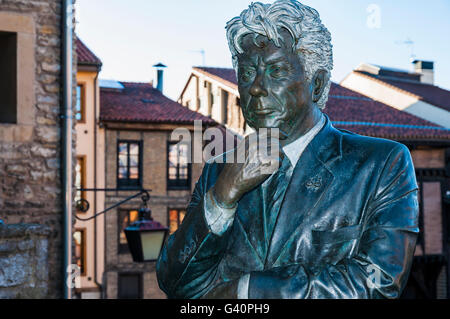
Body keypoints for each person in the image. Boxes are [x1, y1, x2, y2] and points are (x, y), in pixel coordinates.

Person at [156, 0, 418, 299]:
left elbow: (380, 280)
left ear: (316, 84)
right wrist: (221, 199)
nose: (254, 87)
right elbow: (175, 283)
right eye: (245, 74)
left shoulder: (381, 163)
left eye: (276, 70)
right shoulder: (219, 169)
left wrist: (248, 291)